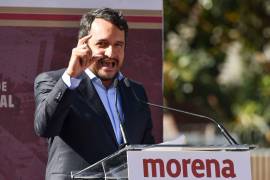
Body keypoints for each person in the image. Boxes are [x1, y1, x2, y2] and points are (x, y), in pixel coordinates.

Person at [34, 8, 155, 180]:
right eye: (102, 44)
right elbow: (45, 127)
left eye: (118, 45)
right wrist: (71, 77)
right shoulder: (54, 81)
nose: (111, 53)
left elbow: (146, 149)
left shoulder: (135, 92)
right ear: (83, 46)